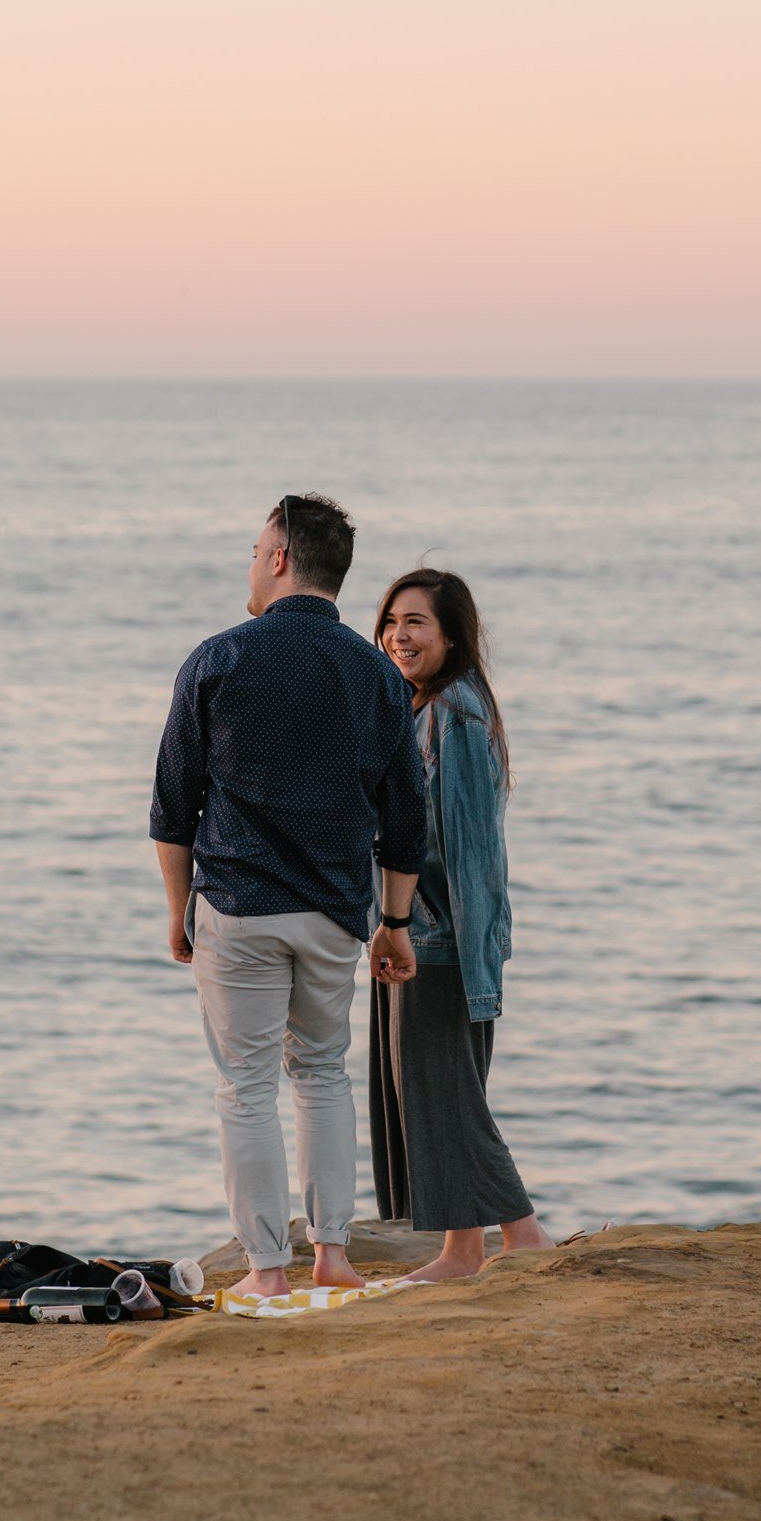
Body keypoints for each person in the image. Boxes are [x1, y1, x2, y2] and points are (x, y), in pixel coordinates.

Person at [150, 493, 426, 1299]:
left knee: (244, 1088)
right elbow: (403, 816)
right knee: (322, 1077)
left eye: (253, 548)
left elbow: (174, 803)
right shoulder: (376, 671)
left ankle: (268, 1269)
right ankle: (333, 1255)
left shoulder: (219, 658)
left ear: (278, 559)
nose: (249, 561)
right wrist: (395, 925)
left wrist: (177, 911)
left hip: (236, 906)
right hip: (336, 912)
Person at [370, 568, 556, 1282]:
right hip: (417, 932)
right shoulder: (425, 710)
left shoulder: (456, 715)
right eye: (390, 620)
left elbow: (467, 850)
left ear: (452, 634)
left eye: (415, 621)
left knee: (446, 1093)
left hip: (438, 939)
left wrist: (447, 946)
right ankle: (477, 1245)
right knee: (435, 1090)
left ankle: (499, 1242)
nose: (397, 635)